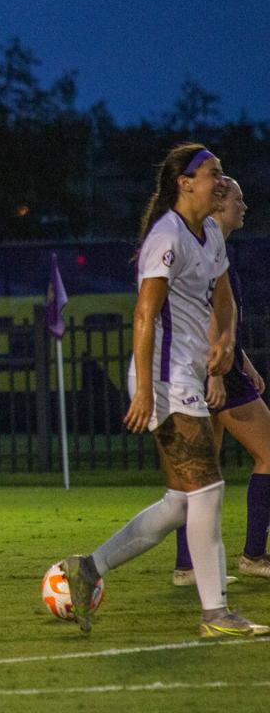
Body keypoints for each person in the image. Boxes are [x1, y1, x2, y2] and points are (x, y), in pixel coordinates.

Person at [61, 145, 268, 638]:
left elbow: (224, 297)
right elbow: (144, 314)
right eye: (212, 173)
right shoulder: (167, 236)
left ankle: (87, 568)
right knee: (210, 490)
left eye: (220, 172)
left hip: (187, 377)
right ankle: (216, 613)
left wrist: (224, 340)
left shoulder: (210, 232)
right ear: (185, 182)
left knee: (180, 500)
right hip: (166, 381)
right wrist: (143, 391)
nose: (220, 180)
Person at [173, 177, 270, 583]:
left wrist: (243, 361)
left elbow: (215, 319)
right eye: (237, 199)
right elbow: (207, 317)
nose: (244, 206)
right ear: (216, 207)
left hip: (214, 367)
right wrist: (219, 372)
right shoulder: (209, 251)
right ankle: (253, 555)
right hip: (214, 371)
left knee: (199, 473)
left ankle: (187, 566)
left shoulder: (212, 249)